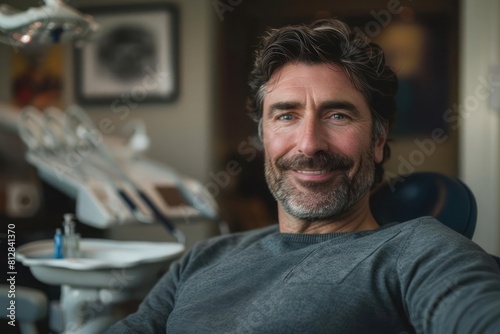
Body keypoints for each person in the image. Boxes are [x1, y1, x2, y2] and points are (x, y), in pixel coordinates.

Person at [106, 18, 500, 333]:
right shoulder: (203, 258)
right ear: (262, 136)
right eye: (287, 116)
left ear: (378, 140)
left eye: (337, 115)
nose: (309, 145)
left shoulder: (417, 252)